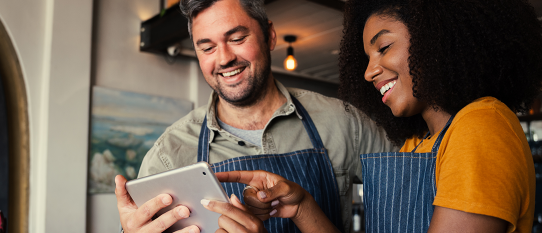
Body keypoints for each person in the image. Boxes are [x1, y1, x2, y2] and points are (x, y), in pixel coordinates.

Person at [221, 0, 542, 232]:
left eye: (384, 47)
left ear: (436, 37)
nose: (369, 72)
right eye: (366, 57)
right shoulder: (416, 145)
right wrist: (302, 206)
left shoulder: (480, 125)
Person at [114, 0, 395, 232]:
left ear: (269, 35)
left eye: (237, 38)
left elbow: (412, 207)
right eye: (207, 47)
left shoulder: (345, 123)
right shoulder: (169, 153)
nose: (224, 58)